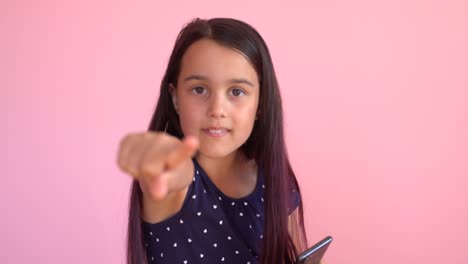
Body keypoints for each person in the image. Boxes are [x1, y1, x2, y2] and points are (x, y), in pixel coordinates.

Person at [117, 17, 313, 264]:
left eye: (236, 92)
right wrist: (156, 160)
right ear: (175, 98)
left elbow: (295, 254)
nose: (217, 109)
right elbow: (173, 176)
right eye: (199, 89)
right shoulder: (177, 183)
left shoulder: (274, 178)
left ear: (261, 104)